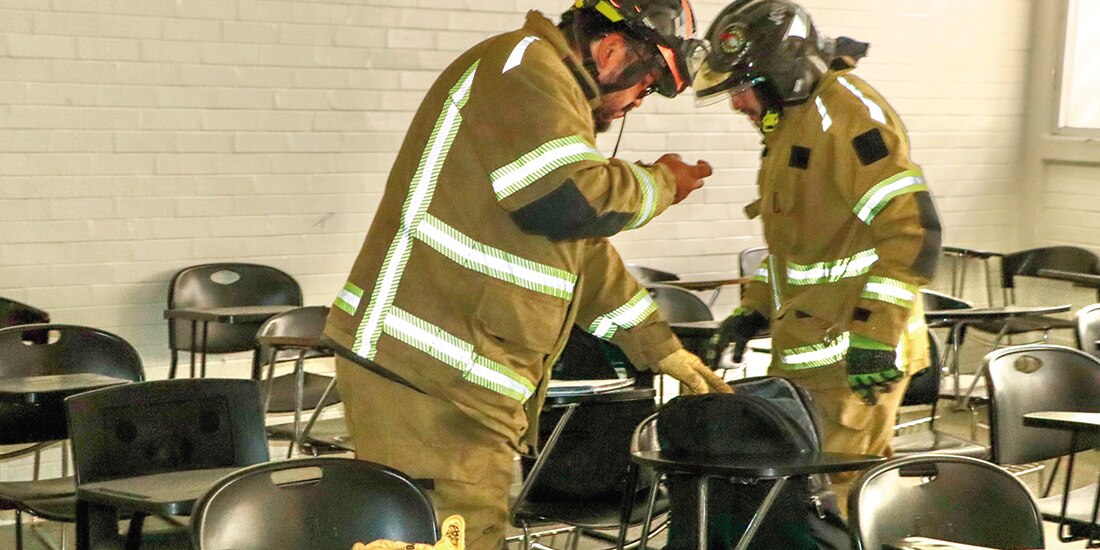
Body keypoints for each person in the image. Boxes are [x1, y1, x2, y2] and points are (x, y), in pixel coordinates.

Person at [322, 0, 731, 546]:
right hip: (429, 374)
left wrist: (658, 347)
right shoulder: (523, 67)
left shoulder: (545, 93)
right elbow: (567, 200)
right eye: (648, 83)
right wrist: (661, 183)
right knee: (461, 534)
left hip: (456, 376)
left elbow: (580, 250)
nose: (638, 101)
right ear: (612, 51)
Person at [696, 0, 942, 509]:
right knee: (823, 498)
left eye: (741, 88)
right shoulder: (792, 122)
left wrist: (875, 337)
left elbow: (911, 232)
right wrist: (754, 309)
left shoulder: (849, 116)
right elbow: (798, 243)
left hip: (856, 356)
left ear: (781, 74)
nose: (737, 104)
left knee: (836, 497)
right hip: (812, 350)